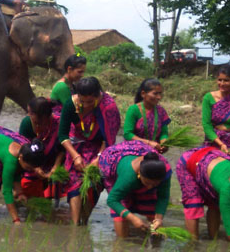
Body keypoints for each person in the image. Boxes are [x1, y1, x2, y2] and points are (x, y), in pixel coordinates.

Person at [58, 76, 121, 225]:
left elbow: (109, 139)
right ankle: (75, 226)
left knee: (94, 184)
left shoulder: (108, 108)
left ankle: (84, 220)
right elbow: (62, 135)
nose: (85, 105)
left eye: (90, 102)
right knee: (74, 182)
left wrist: (98, 159)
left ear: (98, 95)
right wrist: (75, 156)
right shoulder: (71, 104)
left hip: (100, 147)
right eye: (82, 101)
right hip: (76, 144)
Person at [99, 141, 172, 237]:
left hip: (140, 159)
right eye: (147, 183)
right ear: (139, 174)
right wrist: (132, 218)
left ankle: (156, 245)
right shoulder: (128, 176)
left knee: (151, 205)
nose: (149, 187)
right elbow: (112, 200)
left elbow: (163, 197)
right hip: (113, 163)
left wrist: (158, 219)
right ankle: (121, 244)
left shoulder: (164, 173)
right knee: (122, 209)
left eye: (155, 185)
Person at [18, 97, 64, 201]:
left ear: (49, 117)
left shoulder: (60, 123)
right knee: (27, 187)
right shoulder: (27, 123)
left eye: (41, 123)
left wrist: (55, 167)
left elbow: (62, 149)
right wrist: (36, 168)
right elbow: (24, 150)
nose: (38, 127)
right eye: (35, 123)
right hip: (30, 162)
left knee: (49, 193)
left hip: (51, 160)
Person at [123, 78, 170, 153]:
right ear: (143, 94)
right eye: (155, 93)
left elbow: (164, 133)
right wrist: (148, 143)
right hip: (133, 150)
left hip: (154, 152)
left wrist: (164, 142)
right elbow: (127, 134)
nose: (159, 97)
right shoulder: (133, 110)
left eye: (160, 93)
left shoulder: (161, 111)